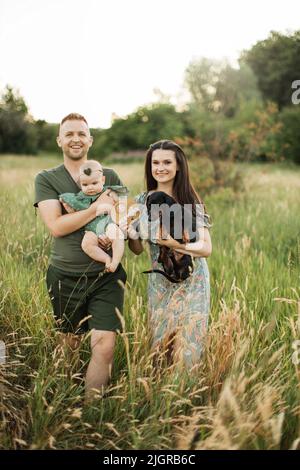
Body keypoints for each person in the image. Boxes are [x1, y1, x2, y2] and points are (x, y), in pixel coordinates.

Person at [34, 113, 127, 401]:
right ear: (59, 139)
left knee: (105, 345)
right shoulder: (47, 179)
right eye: (69, 133)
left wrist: (118, 224)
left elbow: (123, 216)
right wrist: (96, 208)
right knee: (69, 345)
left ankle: (91, 416)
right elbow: (56, 226)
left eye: (81, 133)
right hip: (66, 275)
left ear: (90, 140)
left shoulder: (109, 175)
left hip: (106, 276)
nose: (76, 138)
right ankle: (62, 406)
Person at [126, 140, 212, 368]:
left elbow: (206, 248)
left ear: (178, 166)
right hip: (160, 282)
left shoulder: (190, 200)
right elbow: (137, 251)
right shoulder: (141, 201)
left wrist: (174, 243)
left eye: (166, 162)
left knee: (189, 348)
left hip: (194, 281)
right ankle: (162, 400)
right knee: (161, 348)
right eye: (155, 162)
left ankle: (186, 397)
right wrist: (131, 234)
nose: (160, 168)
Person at [59, 159, 129, 273]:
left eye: (94, 183)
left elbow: (121, 205)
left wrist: (117, 205)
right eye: (85, 184)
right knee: (86, 245)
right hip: (91, 229)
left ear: (102, 180)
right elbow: (76, 215)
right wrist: (69, 207)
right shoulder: (80, 198)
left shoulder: (108, 192)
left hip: (108, 223)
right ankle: (106, 259)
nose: (90, 187)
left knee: (117, 235)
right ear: (80, 183)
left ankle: (115, 262)